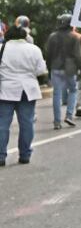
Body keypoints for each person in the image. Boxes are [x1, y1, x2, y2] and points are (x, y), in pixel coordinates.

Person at [0, 24, 46, 166]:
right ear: (24, 36)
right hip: (27, 91)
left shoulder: (2, 48)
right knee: (27, 123)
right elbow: (40, 71)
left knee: (2, 124)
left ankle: (1, 156)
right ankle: (25, 155)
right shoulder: (34, 49)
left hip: (5, 91)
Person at [45, 13, 81, 130]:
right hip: (70, 68)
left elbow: (48, 54)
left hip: (55, 67)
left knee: (56, 94)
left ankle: (57, 122)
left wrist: (49, 67)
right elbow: (78, 55)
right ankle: (69, 115)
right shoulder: (74, 37)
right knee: (73, 90)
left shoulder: (52, 36)